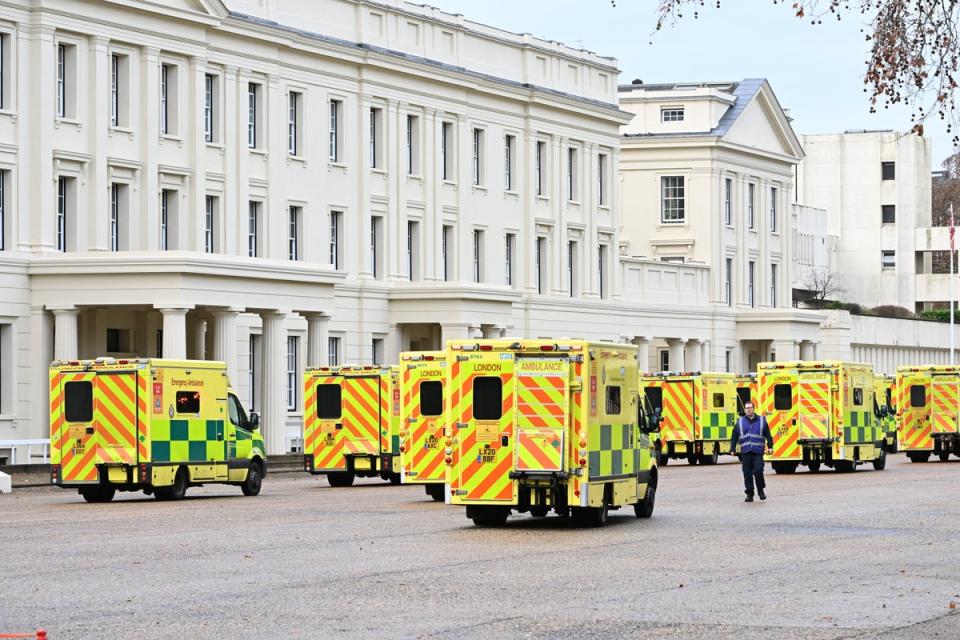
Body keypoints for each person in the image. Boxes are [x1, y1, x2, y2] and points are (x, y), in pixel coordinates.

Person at [729, 401, 774, 502]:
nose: (748, 410)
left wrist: (770, 446)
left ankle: (760, 490)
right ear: (745, 410)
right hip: (745, 452)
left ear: (754, 409)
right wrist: (732, 448)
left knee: (758, 470)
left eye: (750, 408)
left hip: (757, 451)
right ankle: (749, 493)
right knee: (747, 473)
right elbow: (734, 436)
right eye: (746, 408)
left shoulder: (761, 420)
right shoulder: (740, 422)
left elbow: (768, 434)